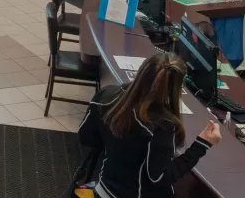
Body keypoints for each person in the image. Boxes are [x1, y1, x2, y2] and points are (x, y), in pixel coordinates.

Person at [79, 52, 221, 198]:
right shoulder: (162, 125)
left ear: (141, 71)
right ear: (176, 89)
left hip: (105, 188)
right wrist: (202, 143)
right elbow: (160, 178)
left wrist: (117, 147)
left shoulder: (106, 95)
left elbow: (86, 137)